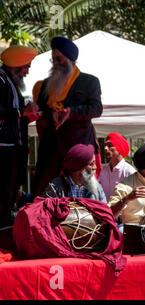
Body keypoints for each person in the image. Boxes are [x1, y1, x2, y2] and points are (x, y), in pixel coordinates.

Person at [32, 36, 103, 197]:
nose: (55, 63)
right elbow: (42, 112)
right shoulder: (45, 85)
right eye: (53, 60)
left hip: (78, 148)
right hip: (51, 151)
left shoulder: (89, 82)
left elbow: (96, 109)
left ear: (71, 59)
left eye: (59, 59)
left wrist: (71, 112)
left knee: (83, 195)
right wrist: (50, 113)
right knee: (44, 195)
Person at [0, 45, 39, 227]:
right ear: (16, 64)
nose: (27, 70)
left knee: (11, 189)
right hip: (3, 147)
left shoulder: (10, 82)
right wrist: (21, 112)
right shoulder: (0, 79)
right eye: (26, 66)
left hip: (12, 146)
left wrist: (27, 116)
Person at [98, 132, 136, 201]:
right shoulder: (103, 171)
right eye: (105, 145)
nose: (105, 148)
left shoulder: (129, 171)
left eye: (110, 145)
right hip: (105, 210)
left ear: (119, 148)